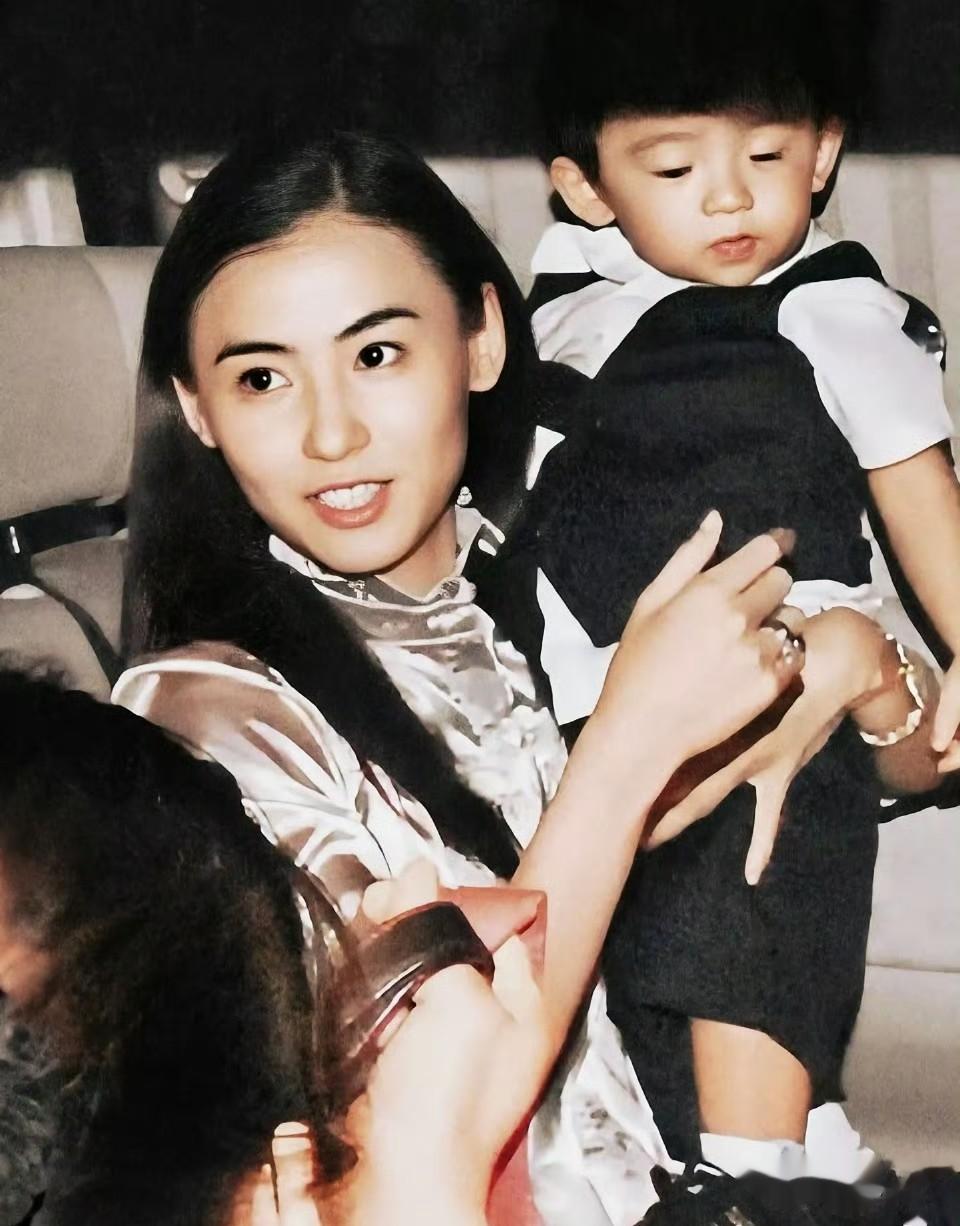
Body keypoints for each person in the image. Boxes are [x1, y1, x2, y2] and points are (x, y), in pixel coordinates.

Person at [113, 128, 944, 1225]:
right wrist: (629, 743)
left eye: (377, 355)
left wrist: (849, 658)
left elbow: (886, 772)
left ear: (482, 342)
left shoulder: (542, 574)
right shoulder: (201, 715)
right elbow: (422, 1130)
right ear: (199, 410)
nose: (331, 433)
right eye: (263, 378)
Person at [509, 0, 960, 1188]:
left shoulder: (827, 302)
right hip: (597, 676)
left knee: (758, 842)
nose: (728, 197)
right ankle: (762, 1139)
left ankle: (763, 1161)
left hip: (777, 643)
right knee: (653, 915)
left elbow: (918, 486)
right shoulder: (559, 308)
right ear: (586, 186)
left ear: (822, 154)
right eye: (674, 168)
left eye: (766, 155)